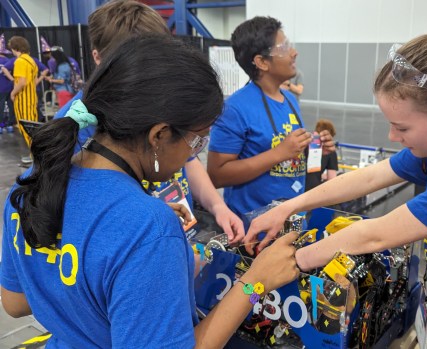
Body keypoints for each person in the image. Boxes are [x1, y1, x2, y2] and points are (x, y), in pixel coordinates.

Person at [0, 34, 299, 348]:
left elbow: (16, 303)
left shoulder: (30, 187)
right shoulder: (147, 227)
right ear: (159, 135)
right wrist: (255, 283)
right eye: (197, 141)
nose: (193, 154)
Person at [244, 34, 427, 348]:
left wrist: (290, 262)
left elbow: (375, 234)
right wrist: (288, 207)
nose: (391, 136)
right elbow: (369, 177)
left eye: (401, 128)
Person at [53, 0, 244, 242]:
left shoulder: (165, 99)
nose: (154, 73)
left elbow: (189, 158)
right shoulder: (75, 122)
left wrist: (218, 206)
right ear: (99, 58)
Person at [207, 16, 334, 221]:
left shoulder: (290, 100)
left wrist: (315, 147)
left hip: (292, 220)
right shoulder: (235, 109)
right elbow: (217, 175)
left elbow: (289, 153)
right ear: (262, 62)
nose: (294, 52)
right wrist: (279, 153)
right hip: (253, 230)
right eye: (283, 48)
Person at [8, 36, 39, 164]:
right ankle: (34, 155)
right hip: (32, 98)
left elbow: (21, 82)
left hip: (23, 100)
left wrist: (13, 92)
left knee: (26, 128)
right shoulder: (31, 61)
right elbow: (34, 81)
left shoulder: (20, 61)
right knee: (33, 127)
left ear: (15, 48)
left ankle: (33, 158)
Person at [305, 119, 338, 191]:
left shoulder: (305, 144)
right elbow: (332, 179)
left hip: (298, 187)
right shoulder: (330, 151)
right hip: (314, 189)